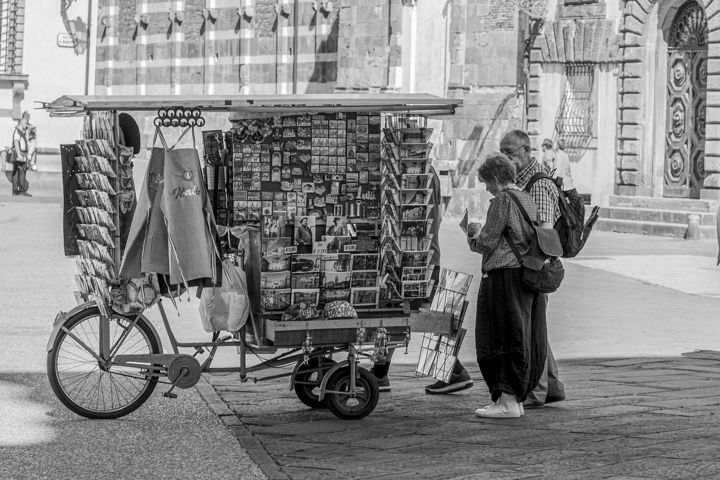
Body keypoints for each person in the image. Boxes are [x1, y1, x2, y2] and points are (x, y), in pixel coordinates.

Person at [371, 164, 474, 394]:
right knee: (400, 312)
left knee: (419, 315)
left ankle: (455, 372)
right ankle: (379, 372)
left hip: (421, 258)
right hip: (420, 256)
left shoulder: (419, 173)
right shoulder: (427, 172)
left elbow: (431, 217)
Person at [469, 152, 547, 418]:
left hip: (503, 276)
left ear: (496, 178)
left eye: (486, 182)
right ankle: (515, 397)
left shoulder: (502, 200)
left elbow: (487, 241)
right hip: (525, 274)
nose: (486, 187)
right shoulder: (526, 197)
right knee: (520, 333)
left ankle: (507, 400)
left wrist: (472, 234)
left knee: (499, 335)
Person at [499, 129, 565, 408]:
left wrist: (529, 266)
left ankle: (536, 391)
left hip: (534, 265)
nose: (505, 157)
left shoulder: (537, 184)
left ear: (526, 151)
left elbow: (545, 232)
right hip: (527, 263)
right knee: (536, 327)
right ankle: (553, 385)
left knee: (530, 329)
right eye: (502, 152)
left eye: (510, 153)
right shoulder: (520, 181)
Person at [11, 111, 32, 196]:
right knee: (21, 171)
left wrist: (27, 131)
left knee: (18, 172)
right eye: (25, 123)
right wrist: (19, 154)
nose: (26, 125)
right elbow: (16, 143)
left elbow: (26, 140)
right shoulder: (17, 132)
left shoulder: (22, 132)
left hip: (22, 154)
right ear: (21, 123)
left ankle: (17, 190)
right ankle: (21, 190)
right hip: (18, 154)